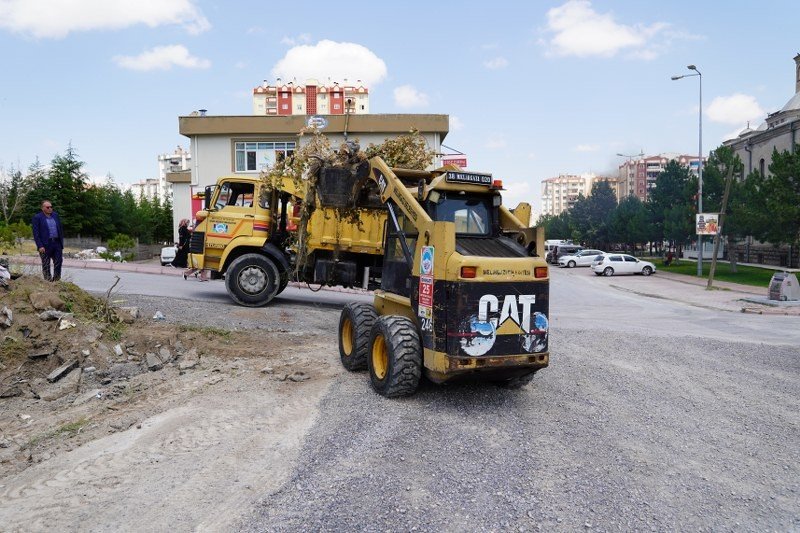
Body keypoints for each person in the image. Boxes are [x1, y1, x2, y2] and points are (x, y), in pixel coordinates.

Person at [32, 200, 64, 281]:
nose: (50, 208)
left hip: (56, 243)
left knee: (58, 262)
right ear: (42, 208)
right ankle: (48, 282)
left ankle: (56, 281)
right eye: (48, 207)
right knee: (46, 264)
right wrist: (40, 245)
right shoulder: (37, 217)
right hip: (45, 245)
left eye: (51, 207)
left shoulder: (55, 215)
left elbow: (60, 229)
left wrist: (61, 243)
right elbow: (36, 233)